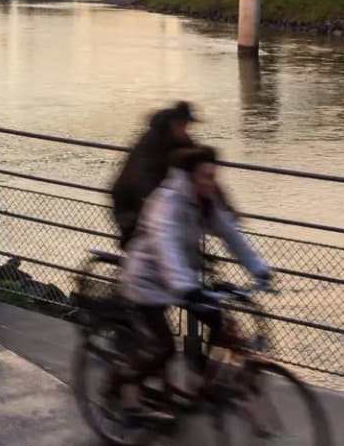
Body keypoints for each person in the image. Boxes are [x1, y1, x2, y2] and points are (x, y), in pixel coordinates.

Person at [115, 146, 271, 422]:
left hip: (180, 279)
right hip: (147, 279)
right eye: (205, 177)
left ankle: (199, 383)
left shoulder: (206, 201)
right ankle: (125, 383)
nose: (212, 183)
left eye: (214, 177)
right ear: (188, 177)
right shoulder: (167, 203)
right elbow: (166, 243)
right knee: (162, 347)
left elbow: (231, 235)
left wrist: (259, 270)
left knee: (218, 320)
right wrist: (184, 284)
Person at [110, 102, 196, 244]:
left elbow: (201, 167)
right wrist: (157, 205)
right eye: (182, 125)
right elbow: (142, 178)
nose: (185, 131)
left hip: (163, 204)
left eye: (187, 126)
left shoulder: (183, 141)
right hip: (130, 204)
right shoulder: (150, 143)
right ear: (172, 124)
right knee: (150, 247)